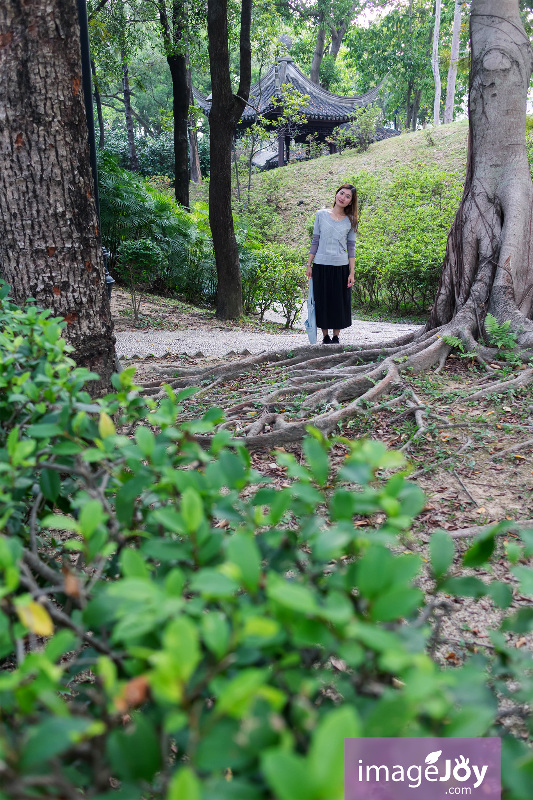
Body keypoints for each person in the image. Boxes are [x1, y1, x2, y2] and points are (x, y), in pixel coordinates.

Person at [306, 184, 357, 344]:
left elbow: (351, 247)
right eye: (342, 193)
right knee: (322, 300)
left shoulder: (351, 220)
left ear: (350, 202)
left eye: (348, 196)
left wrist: (352, 272)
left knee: (339, 301)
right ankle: (325, 336)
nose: (343, 197)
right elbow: (315, 240)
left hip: (341, 266)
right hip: (321, 264)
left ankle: (336, 336)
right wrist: (309, 263)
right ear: (336, 194)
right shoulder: (320, 215)